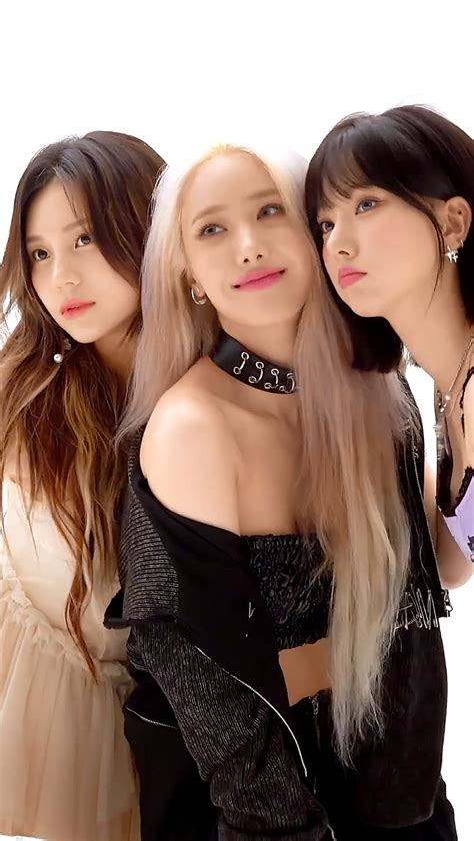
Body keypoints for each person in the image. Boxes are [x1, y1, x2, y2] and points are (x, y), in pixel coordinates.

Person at [108, 140, 457, 839]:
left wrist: (463, 428)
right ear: (189, 274)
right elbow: (213, 695)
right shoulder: (192, 429)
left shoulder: (381, 393)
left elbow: (443, 568)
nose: (249, 247)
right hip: (245, 806)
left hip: (392, 783)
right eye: (213, 228)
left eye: (270, 211)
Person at [0, 131, 165, 841]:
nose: (60, 277)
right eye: (39, 253)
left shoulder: (208, 391)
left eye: (84, 239)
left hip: (158, 722)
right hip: (28, 693)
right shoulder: (25, 388)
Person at [305, 105, 473, 582]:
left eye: (366, 205)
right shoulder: (447, 391)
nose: (337, 244)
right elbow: (448, 566)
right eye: (325, 223)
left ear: (452, 222)